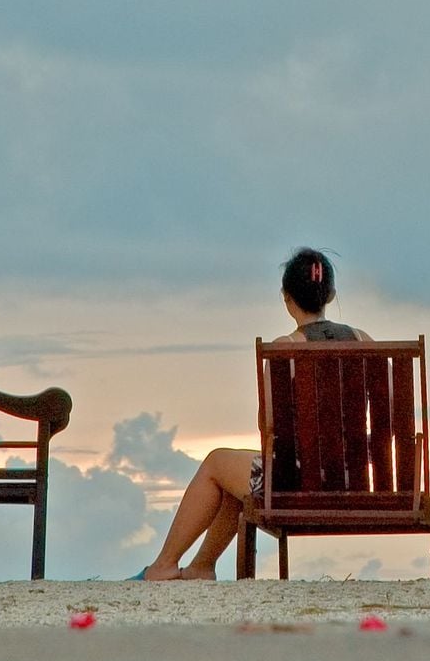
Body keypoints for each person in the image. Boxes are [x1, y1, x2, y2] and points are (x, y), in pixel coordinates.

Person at [135, 247, 371, 581]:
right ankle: (201, 566)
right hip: (355, 483)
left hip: (297, 487)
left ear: (287, 298)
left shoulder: (285, 348)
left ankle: (163, 566)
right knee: (242, 475)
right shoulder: (364, 340)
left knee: (218, 462)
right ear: (330, 294)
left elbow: (268, 426)